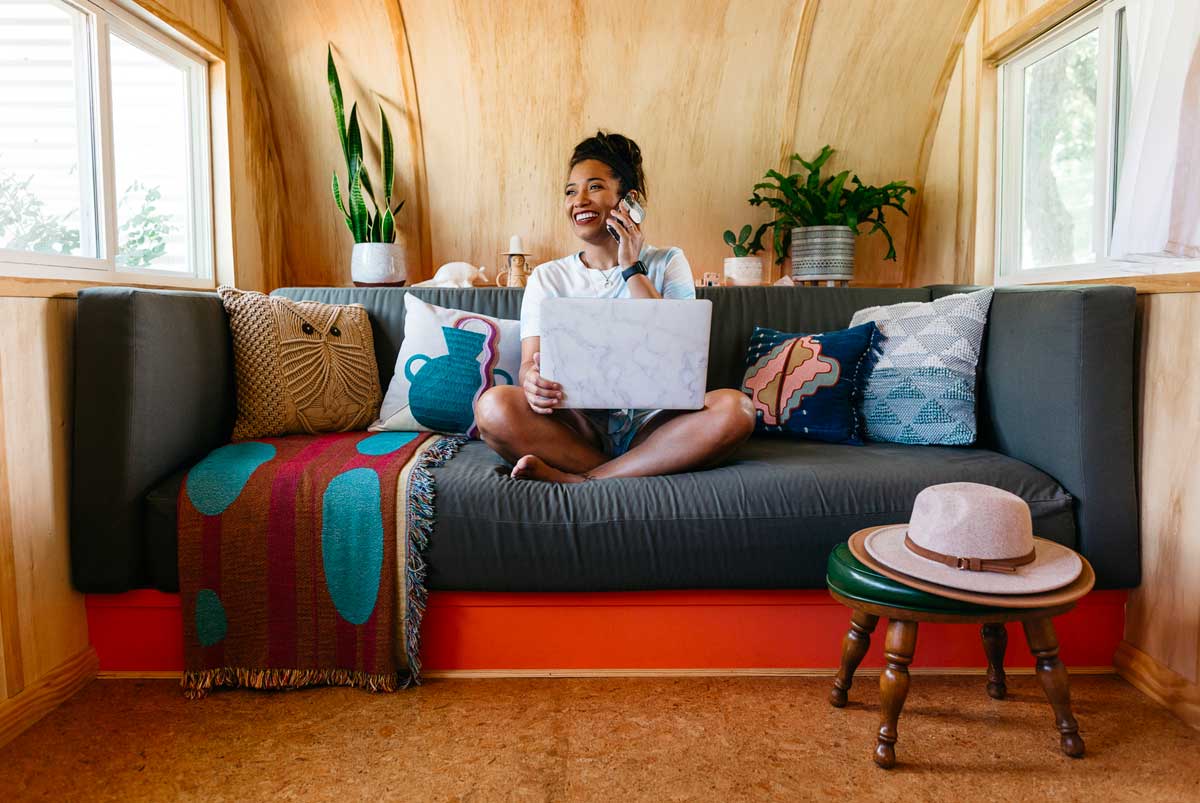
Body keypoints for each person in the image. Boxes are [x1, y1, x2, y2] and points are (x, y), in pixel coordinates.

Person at [474, 131, 755, 483]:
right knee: (493, 406)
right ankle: (629, 469)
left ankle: (589, 479)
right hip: (577, 424)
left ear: (629, 200)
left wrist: (631, 266)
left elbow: (675, 354)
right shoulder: (548, 277)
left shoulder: (669, 261)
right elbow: (530, 363)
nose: (579, 201)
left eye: (594, 187)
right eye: (570, 191)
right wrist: (532, 381)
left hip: (655, 424)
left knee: (737, 409)